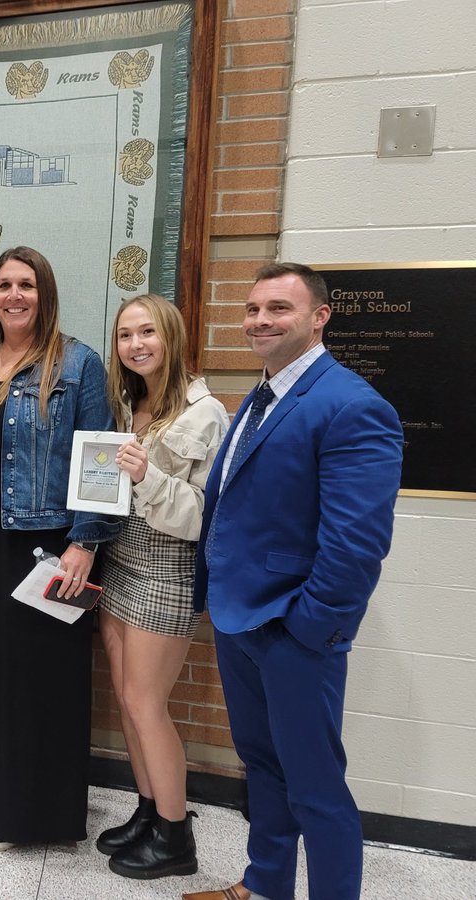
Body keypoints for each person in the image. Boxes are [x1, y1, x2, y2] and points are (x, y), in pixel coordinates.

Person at [184, 263, 402, 900]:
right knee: (263, 767)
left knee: (315, 787)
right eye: (253, 310)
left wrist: (308, 631)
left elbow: (357, 545)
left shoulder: (354, 406)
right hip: (241, 620)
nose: (259, 321)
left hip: (293, 633)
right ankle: (265, 886)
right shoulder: (261, 396)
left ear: (319, 317)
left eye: (278, 308)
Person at [0, 245, 121, 850]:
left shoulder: (79, 362)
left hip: (41, 543)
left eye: (27, 285)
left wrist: (85, 543)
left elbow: (101, 457)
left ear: (45, 293)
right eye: (4, 286)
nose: (14, 295)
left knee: (33, 679)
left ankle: (23, 814)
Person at [95, 294, 228, 879]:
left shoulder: (206, 413)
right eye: (126, 335)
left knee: (148, 703)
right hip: (120, 558)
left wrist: (146, 477)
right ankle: (148, 812)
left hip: (168, 566)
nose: (137, 345)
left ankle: (176, 838)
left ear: (171, 336)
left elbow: (205, 515)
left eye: (148, 332)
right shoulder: (127, 403)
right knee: (127, 700)